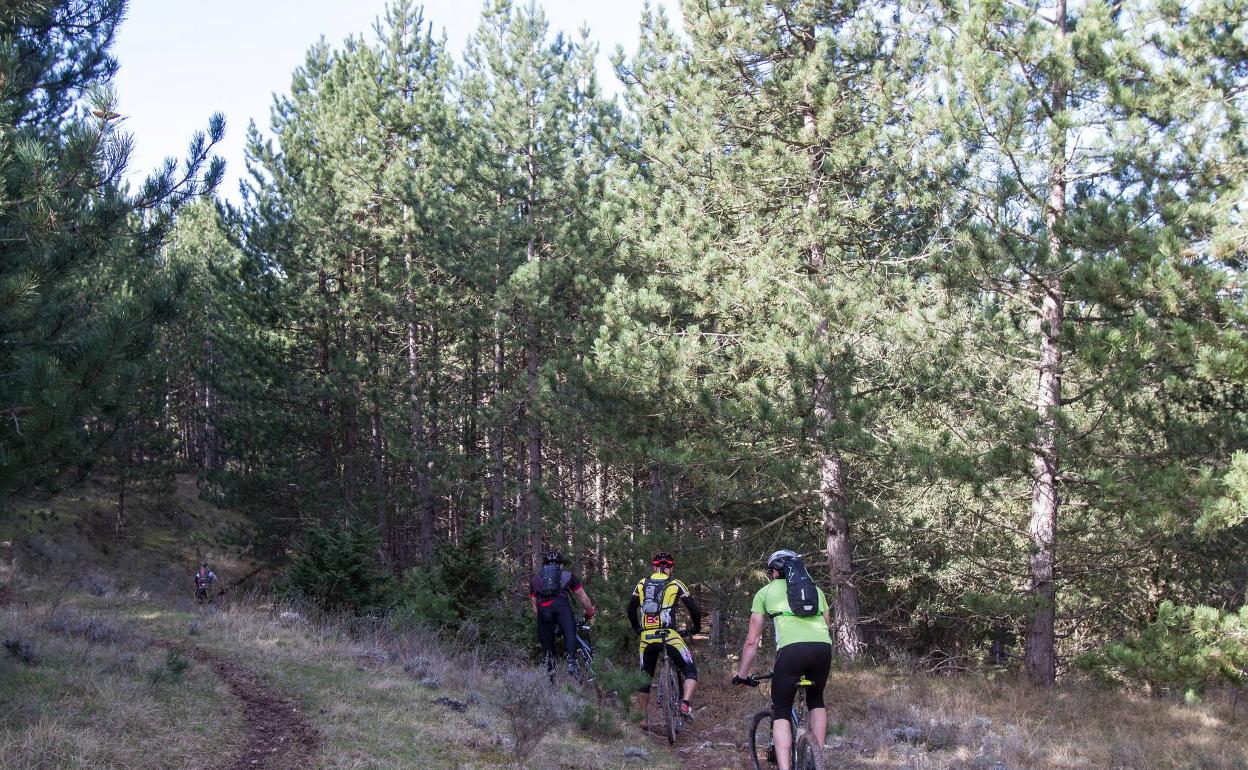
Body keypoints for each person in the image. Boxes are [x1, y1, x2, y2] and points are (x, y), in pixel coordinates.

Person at [732, 549, 832, 770]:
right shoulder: (815, 590)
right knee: (816, 701)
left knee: (781, 711)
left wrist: (742, 675)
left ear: (775, 572)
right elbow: (827, 623)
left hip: (791, 651)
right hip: (823, 648)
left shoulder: (765, 592)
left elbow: (752, 640)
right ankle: (817, 760)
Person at [628, 551, 701, 724]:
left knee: (645, 677)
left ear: (654, 567)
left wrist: (638, 628)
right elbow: (695, 610)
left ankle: (643, 719)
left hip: (647, 638)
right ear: (671, 568)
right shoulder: (676, 584)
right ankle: (685, 703)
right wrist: (695, 628)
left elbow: (631, 609)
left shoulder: (642, 583)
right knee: (690, 670)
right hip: (670, 636)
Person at [529, 551, 596, 678]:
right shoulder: (568, 575)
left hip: (543, 610)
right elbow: (583, 597)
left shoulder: (535, 580)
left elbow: (534, 605)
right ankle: (571, 661)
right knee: (570, 632)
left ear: (544, 565)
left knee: (547, 644)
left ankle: (550, 674)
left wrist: (544, 620)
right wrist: (589, 610)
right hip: (561, 607)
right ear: (560, 565)